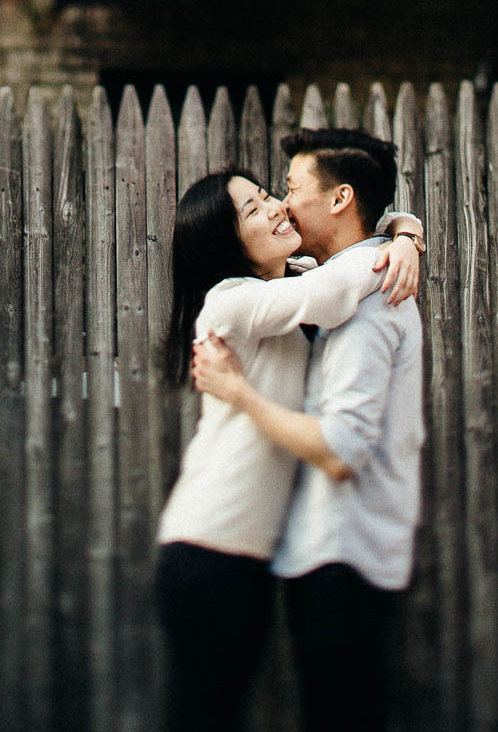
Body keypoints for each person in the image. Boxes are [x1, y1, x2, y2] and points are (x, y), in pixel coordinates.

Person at [154, 165, 424, 732]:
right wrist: (396, 248)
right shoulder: (232, 301)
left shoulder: (289, 281)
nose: (276, 206)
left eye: (267, 195)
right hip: (208, 547)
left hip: (251, 560)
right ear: (228, 244)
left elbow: (334, 269)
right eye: (254, 210)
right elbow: (332, 293)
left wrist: (406, 232)